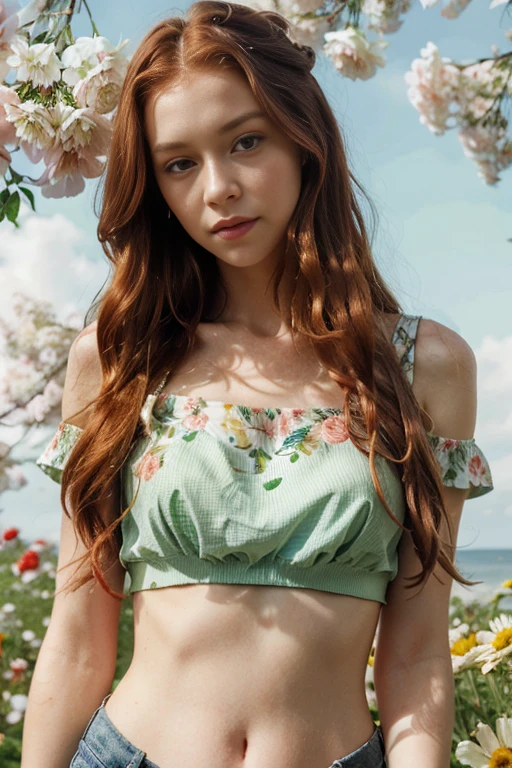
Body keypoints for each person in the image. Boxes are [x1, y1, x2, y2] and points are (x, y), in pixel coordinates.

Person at [22, 2, 494, 767]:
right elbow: (78, 636)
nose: (218, 188)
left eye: (246, 142)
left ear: (305, 141)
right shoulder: (118, 361)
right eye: (179, 163)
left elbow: (416, 654)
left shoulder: (423, 368)